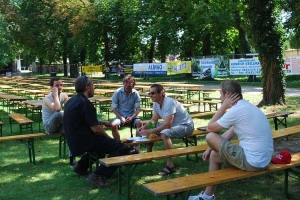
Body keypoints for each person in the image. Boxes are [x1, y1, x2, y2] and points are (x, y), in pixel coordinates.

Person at [188, 80, 274, 200]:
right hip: (263, 159)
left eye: (221, 94)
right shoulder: (248, 107)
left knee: (210, 136)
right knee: (214, 155)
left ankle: (207, 196)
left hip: (253, 161)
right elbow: (230, 132)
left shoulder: (237, 110)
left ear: (227, 94)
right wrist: (210, 148)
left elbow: (210, 128)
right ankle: (207, 196)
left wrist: (223, 107)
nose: (220, 97)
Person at [63, 75, 132, 188]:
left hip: (73, 141)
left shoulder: (72, 101)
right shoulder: (85, 103)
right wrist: (108, 138)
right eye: (93, 85)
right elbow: (96, 129)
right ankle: (98, 175)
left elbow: (84, 119)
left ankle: (80, 167)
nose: (94, 87)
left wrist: (104, 122)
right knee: (121, 147)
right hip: (84, 141)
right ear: (87, 87)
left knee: (100, 149)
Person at [138, 84, 194, 175]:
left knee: (164, 133)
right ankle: (148, 156)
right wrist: (144, 127)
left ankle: (170, 165)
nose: (150, 95)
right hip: (174, 125)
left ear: (161, 93)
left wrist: (151, 131)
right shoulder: (156, 103)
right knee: (152, 126)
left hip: (186, 125)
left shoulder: (169, 103)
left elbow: (168, 125)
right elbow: (154, 120)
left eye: (153, 93)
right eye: (149, 93)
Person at [111, 75, 143, 141]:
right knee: (113, 125)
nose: (128, 85)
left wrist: (132, 117)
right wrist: (121, 117)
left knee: (140, 123)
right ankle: (118, 144)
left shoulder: (136, 94)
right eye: (126, 82)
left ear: (133, 84)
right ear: (123, 83)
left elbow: (138, 109)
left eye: (130, 83)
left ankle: (137, 144)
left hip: (132, 116)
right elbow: (114, 109)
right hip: (120, 116)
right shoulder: (117, 93)